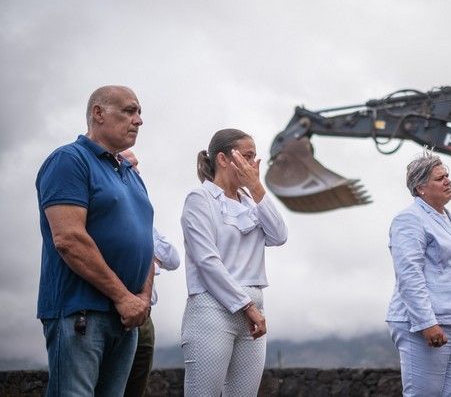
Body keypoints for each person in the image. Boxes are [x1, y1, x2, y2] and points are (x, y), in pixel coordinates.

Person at [35, 85, 154, 396]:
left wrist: (141, 298)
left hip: (125, 318)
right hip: (81, 313)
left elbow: (145, 240)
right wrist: (123, 297)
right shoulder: (68, 160)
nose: (138, 120)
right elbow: (69, 239)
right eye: (129, 110)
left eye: (139, 112)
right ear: (98, 114)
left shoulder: (130, 173)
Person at [180, 128, 288, 396]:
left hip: (254, 302)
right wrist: (247, 307)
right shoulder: (199, 199)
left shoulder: (252, 201)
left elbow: (279, 236)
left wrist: (257, 187)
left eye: (254, 157)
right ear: (223, 159)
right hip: (212, 306)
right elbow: (207, 261)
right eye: (247, 156)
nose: (253, 164)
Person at [386, 148, 451, 397]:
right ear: (420, 188)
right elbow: (409, 274)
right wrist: (427, 323)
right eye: (440, 178)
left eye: (447, 175)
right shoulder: (409, 219)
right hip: (427, 323)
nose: (448, 181)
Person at [120, 149, 181, 397]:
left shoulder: (145, 217)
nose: (136, 171)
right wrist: (149, 255)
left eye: (136, 166)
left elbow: (174, 259)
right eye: (129, 166)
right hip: (115, 309)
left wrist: (148, 249)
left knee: (137, 387)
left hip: (145, 315)